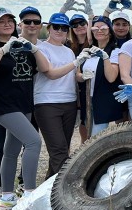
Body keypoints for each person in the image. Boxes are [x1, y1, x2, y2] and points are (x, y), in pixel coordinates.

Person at [0, 8, 49, 210]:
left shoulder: (24, 46)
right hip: (4, 106)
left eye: (9, 20)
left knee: (11, 151)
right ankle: (29, 194)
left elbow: (44, 68)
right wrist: (3, 50)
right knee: (33, 142)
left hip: (24, 104)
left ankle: (7, 197)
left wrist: (33, 49)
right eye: (1, 22)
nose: (6, 24)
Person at [33, 13, 92, 177]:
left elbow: (75, 75)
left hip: (69, 103)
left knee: (63, 147)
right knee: (58, 149)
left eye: (64, 28)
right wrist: (76, 63)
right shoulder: (41, 49)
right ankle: (65, 188)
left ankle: (49, 186)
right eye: (56, 27)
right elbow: (50, 73)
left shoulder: (69, 52)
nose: (60, 31)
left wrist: (84, 75)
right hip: (47, 103)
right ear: (49, 28)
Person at [79, 15, 123, 135]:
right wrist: (82, 76)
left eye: (103, 28)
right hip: (87, 99)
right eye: (95, 28)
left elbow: (111, 77)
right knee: (87, 136)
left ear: (109, 31)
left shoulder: (115, 51)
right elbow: (77, 74)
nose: (99, 30)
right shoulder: (88, 51)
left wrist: (105, 58)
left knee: (96, 138)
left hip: (103, 102)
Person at [68, 12, 92, 143]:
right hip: (72, 88)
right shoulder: (69, 46)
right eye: (75, 24)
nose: (79, 26)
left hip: (88, 89)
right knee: (74, 125)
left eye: (82, 23)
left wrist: (91, 16)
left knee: (87, 121)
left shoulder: (94, 44)